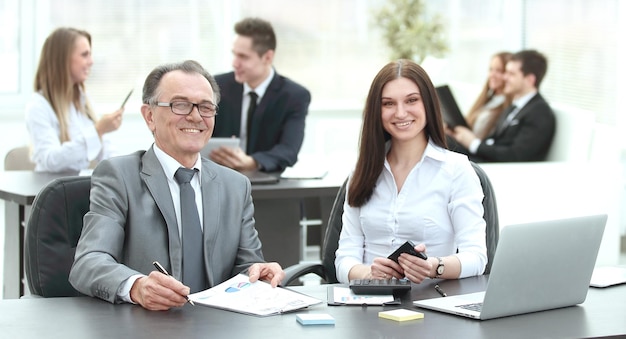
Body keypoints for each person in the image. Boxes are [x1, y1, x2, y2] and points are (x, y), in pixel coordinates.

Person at [69, 60, 285, 311]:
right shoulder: (118, 176)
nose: (195, 116)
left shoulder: (235, 186)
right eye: (180, 105)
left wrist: (259, 272)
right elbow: (88, 262)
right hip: (147, 327)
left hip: (218, 327)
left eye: (206, 107)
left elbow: (246, 267)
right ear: (150, 116)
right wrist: (136, 286)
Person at [334, 59, 487, 285]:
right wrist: (369, 274)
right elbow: (344, 259)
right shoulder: (362, 171)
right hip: (367, 305)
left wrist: (434, 266)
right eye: (388, 104)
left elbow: (477, 257)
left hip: (430, 304)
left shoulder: (456, 170)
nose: (401, 113)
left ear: (428, 104)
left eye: (411, 100)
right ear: (377, 110)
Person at [210, 17, 311, 172]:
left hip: (266, 182)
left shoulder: (294, 96)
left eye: (243, 57)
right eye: (234, 54)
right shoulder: (216, 86)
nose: (234, 63)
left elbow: (289, 150)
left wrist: (252, 162)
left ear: (268, 57)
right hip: (219, 177)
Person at [25, 27, 123, 172]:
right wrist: (97, 131)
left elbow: (105, 151)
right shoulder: (38, 106)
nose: (91, 62)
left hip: (75, 188)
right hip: (52, 191)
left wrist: (124, 170)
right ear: (62, 60)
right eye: (84, 55)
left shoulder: (82, 100)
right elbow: (51, 160)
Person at [447, 49, 556, 162]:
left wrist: (474, 144)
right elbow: (494, 142)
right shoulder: (514, 108)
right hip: (487, 160)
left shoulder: (539, 112)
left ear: (529, 80)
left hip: (500, 169)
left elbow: (515, 155)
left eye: (511, 74)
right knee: (444, 141)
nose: (505, 78)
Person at [460, 51, 513, 140]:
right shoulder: (487, 100)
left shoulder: (508, 108)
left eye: (499, 71)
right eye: (491, 69)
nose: (492, 75)